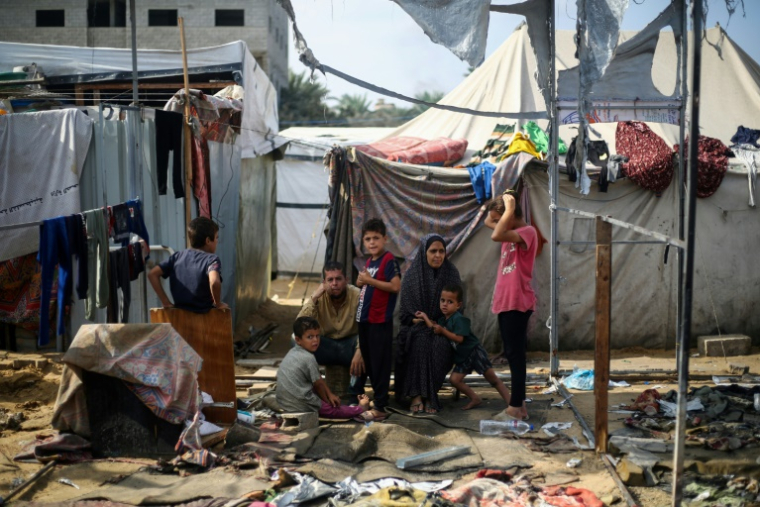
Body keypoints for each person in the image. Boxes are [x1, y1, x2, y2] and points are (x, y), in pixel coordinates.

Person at [483, 191, 537, 421]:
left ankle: (515, 407)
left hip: (517, 301)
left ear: (511, 215)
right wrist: (500, 208)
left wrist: (510, 206)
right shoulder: (509, 233)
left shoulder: (528, 232)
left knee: (516, 355)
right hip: (506, 302)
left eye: (501, 217)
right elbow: (489, 222)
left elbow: (495, 234)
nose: (496, 223)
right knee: (513, 353)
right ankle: (520, 404)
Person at [415, 283, 511, 411]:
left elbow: (459, 338)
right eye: (442, 300)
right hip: (463, 357)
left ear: (458, 305)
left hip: (474, 352)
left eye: (450, 302)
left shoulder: (459, 319)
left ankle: (512, 404)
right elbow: (435, 328)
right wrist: (425, 317)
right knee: (454, 380)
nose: (444, 304)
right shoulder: (444, 320)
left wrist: (443, 331)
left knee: (493, 380)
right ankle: (475, 398)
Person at [397, 234, 461, 414]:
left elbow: (458, 308)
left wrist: (440, 324)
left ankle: (429, 395)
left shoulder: (451, 273)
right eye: (433, 251)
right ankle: (418, 395)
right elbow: (405, 314)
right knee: (420, 341)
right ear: (424, 253)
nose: (438, 255)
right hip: (416, 329)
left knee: (440, 345)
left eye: (441, 251)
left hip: (444, 328)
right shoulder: (412, 276)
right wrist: (418, 320)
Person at [276, 317, 372, 420]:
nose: (315, 340)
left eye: (317, 336)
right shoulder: (309, 358)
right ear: (298, 340)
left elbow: (318, 380)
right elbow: (318, 385)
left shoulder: (292, 353)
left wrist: (330, 394)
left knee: (314, 387)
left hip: (284, 403)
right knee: (333, 410)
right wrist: (328, 401)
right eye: (310, 337)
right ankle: (360, 409)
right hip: (301, 404)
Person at [297, 261, 366, 400]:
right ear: (324, 282)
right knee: (297, 341)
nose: (334, 283)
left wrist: (360, 349)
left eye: (338, 279)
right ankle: (307, 392)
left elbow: (367, 327)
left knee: (367, 346)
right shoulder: (319, 297)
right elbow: (299, 325)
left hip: (349, 346)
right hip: (325, 346)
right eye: (330, 280)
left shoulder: (357, 295)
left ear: (346, 280)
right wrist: (315, 297)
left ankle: (355, 395)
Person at [355, 218, 401, 420]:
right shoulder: (369, 261)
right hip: (366, 320)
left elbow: (395, 286)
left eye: (376, 238)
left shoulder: (388, 259)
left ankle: (381, 407)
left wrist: (369, 280)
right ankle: (375, 400)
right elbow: (367, 285)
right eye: (367, 239)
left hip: (380, 321)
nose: (372, 242)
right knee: (371, 363)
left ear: (385, 238)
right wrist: (361, 282)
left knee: (380, 363)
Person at [148, 217, 229, 312]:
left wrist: (166, 302)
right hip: (204, 317)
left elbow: (152, 274)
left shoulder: (176, 257)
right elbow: (214, 282)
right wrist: (218, 303)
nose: (217, 241)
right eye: (216, 238)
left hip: (180, 315)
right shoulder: (211, 259)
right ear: (208, 241)